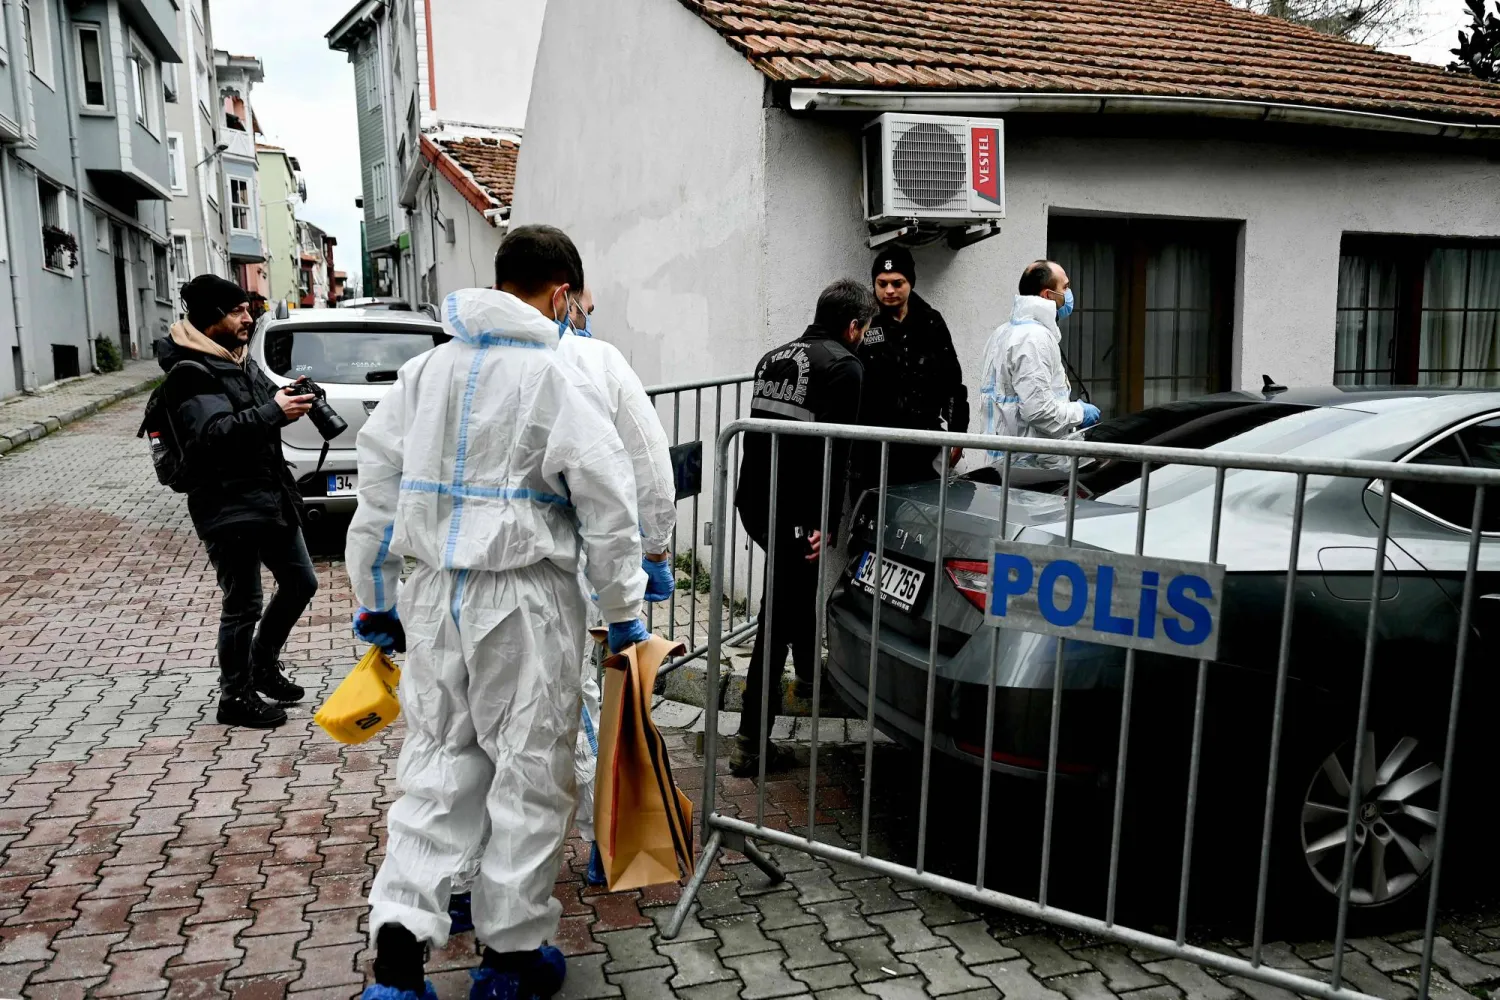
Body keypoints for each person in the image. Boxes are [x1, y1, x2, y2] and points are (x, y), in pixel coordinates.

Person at [346, 226, 650, 1000]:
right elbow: (609, 507)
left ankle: (397, 955)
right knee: (528, 775)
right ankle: (511, 959)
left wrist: (376, 600)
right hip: (526, 602)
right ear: (560, 293)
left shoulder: (422, 374)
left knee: (437, 769)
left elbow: (375, 494)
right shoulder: (558, 377)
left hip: (433, 597)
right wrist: (624, 613)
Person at [446, 281, 678, 929]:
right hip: (548, 588)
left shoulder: (450, 362)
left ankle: (465, 884)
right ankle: (605, 846)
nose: (588, 317)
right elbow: (643, 468)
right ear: (562, 296)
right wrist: (649, 558)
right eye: (586, 306)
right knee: (562, 729)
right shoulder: (586, 363)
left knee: (470, 740)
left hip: (454, 588)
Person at [156, 274, 317, 729]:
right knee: (243, 602)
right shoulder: (190, 373)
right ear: (211, 318)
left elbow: (256, 416)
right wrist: (273, 411)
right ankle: (235, 696)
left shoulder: (236, 360)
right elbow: (211, 436)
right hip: (227, 503)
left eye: (248, 309)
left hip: (268, 494)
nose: (249, 318)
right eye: (237, 311)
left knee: (301, 583)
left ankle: (263, 666)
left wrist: (287, 398)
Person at [732, 279, 873, 778]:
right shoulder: (845, 366)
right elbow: (833, 453)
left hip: (757, 501)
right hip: (794, 512)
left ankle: (811, 679)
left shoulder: (774, 356)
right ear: (854, 325)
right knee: (777, 617)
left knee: (792, 595)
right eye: (865, 328)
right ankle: (751, 742)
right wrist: (823, 524)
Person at [850, 246, 969, 497]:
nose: (889, 290)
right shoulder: (862, 322)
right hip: (873, 447)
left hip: (922, 443)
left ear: (910, 283)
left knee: (924, 517)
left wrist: (958, 436)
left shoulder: (930, 321)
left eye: (897, 283)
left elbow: (952, 383)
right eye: (881, 283)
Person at [978, 259, 1101, 469]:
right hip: (1032, 469)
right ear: (1047, 295)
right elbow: (1039, 412)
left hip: (1007, 464)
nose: (1069, 294)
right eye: (1065, 287)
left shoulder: (1004, 332)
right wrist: (1079, 413)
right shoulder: (1033, 338)